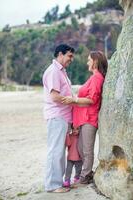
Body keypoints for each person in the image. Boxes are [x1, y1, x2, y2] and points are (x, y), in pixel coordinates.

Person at [62, 51, 108, 185]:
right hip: (83, 118)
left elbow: (92, 100)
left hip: (90, 118)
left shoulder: (96, 78)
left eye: (89, 60)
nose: (87, 62)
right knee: (81, 148)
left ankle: (86, 175)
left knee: (86, 149)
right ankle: (88, 173)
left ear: (95, 62)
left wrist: (74, 99)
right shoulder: (93, 77)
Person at [42, 44, 75, 193]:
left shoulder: (61, 72)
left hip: (62, 118)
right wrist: (73, 100)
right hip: (57, 116)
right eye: (69, 56)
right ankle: (53, 185)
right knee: (55, 151)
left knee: (59, 151)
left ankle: (56, 183)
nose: (71, 59)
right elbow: (54, 96)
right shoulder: (54, 71)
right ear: (60, 54)